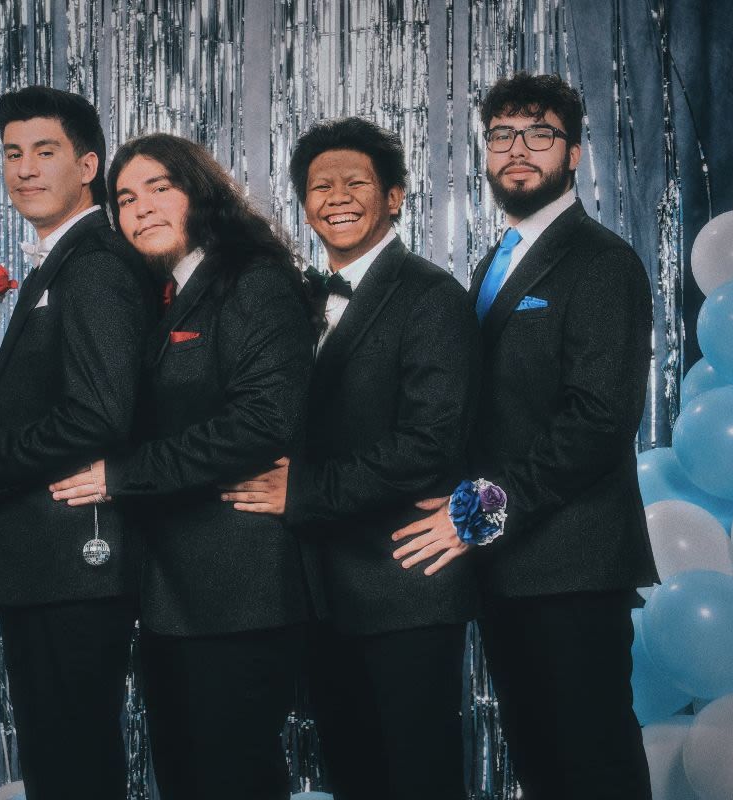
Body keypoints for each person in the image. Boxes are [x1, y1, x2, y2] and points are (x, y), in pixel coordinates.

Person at [394, 72, 658, 798]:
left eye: (539, 134)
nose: (517, 149)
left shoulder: (602, 262)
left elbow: (598, 421)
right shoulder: (498, 259)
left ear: (573, 154)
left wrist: (476, 512)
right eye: (502, 135)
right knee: (542, 766)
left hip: (571, 567)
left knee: (592, 766)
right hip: (510, 567)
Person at [47, 133, 316, 800]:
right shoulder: (163, 297)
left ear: (201, 193)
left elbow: (261, 423)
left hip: (238, 593)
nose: (140, 207)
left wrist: (119, 475)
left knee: (233, 779)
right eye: (124, 198)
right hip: (171, 595)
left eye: (159, 188)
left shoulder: (253, 281)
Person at [221, 117, 479, 800]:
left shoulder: (431, 297)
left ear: (394, 196)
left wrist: (302, 491)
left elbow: (429, 444)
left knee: (418, 778)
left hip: (403, 584)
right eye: (319, 187)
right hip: (319, 589)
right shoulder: (295, 300)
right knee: (353, 775)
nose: (336, 197)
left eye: (355, 182)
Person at [0, 86, 157, 800]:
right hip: (45, 564)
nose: (24, 169)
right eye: (12, 153)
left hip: (73, 562)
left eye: (45, 151)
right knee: (61, 762)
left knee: (73, 764)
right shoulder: (58, 263)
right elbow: (63, 399)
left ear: (88, 166)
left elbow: (100, 414)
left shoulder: (96, 263)